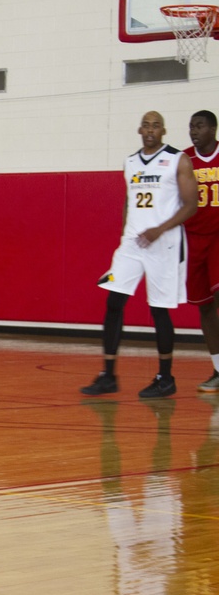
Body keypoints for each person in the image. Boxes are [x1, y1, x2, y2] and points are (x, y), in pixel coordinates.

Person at [81, 111, 197, 399]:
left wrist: (160, 228)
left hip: (165, 243)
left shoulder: (177, 159)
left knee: (159, 309)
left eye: (156, 125)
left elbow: (191, 204)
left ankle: (165, 378)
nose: (150, 129)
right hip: (133, 244)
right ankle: (108, 375)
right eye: (146, 125)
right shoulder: (131, 162)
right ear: (139, 129)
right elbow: (128, 201)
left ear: (164, 131)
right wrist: (124, 235)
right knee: (113, 302)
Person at [183, 111, 219, 393]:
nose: (194, 131)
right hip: (194, 240)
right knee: (205, 307)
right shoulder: (184, 160)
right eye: (191, 127)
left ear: (214, 129)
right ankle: (218, 370)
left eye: (200, 126)